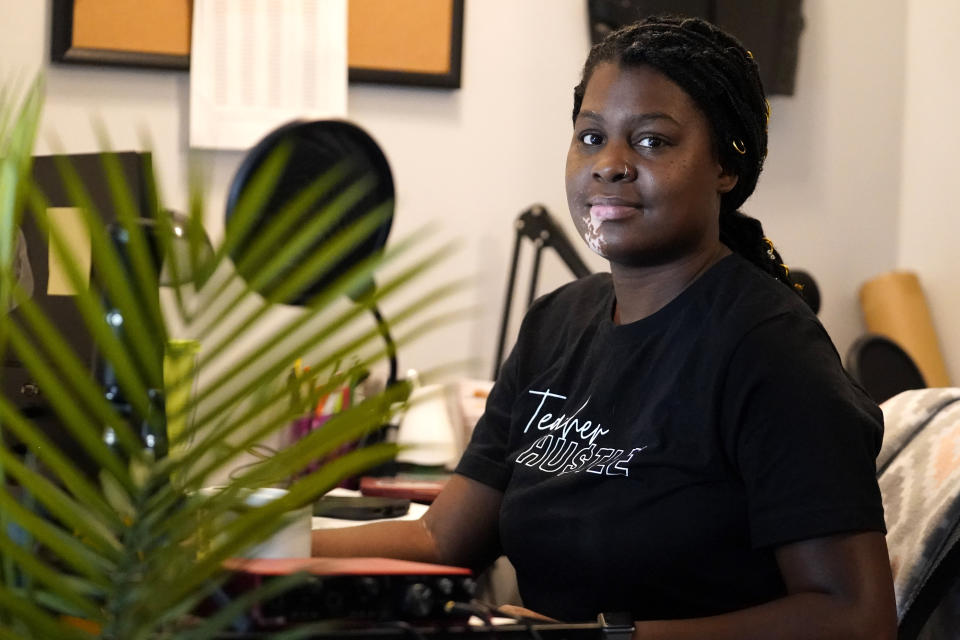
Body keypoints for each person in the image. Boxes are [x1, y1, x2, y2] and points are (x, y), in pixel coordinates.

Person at [312, 15, 898, 639]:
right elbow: (440, 538)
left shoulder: (771, 350)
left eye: (652, 141)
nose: (610, 165)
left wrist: (608, 638)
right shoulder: (555, 325)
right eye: (591, 138)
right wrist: (241, 549)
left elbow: (853, 616)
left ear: (726, 166)